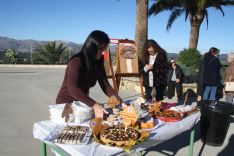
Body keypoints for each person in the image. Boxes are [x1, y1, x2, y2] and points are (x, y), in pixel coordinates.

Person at [56, 30, 122, 118]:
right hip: (66, 103)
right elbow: (73, 88)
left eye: (105, 49)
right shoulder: (76, 61)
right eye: (101, 49)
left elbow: (106, 85)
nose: (103, 52)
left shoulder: (99, 60)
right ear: (91, 47)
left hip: (82, 104)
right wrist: (94, 105)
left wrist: (120, 101)